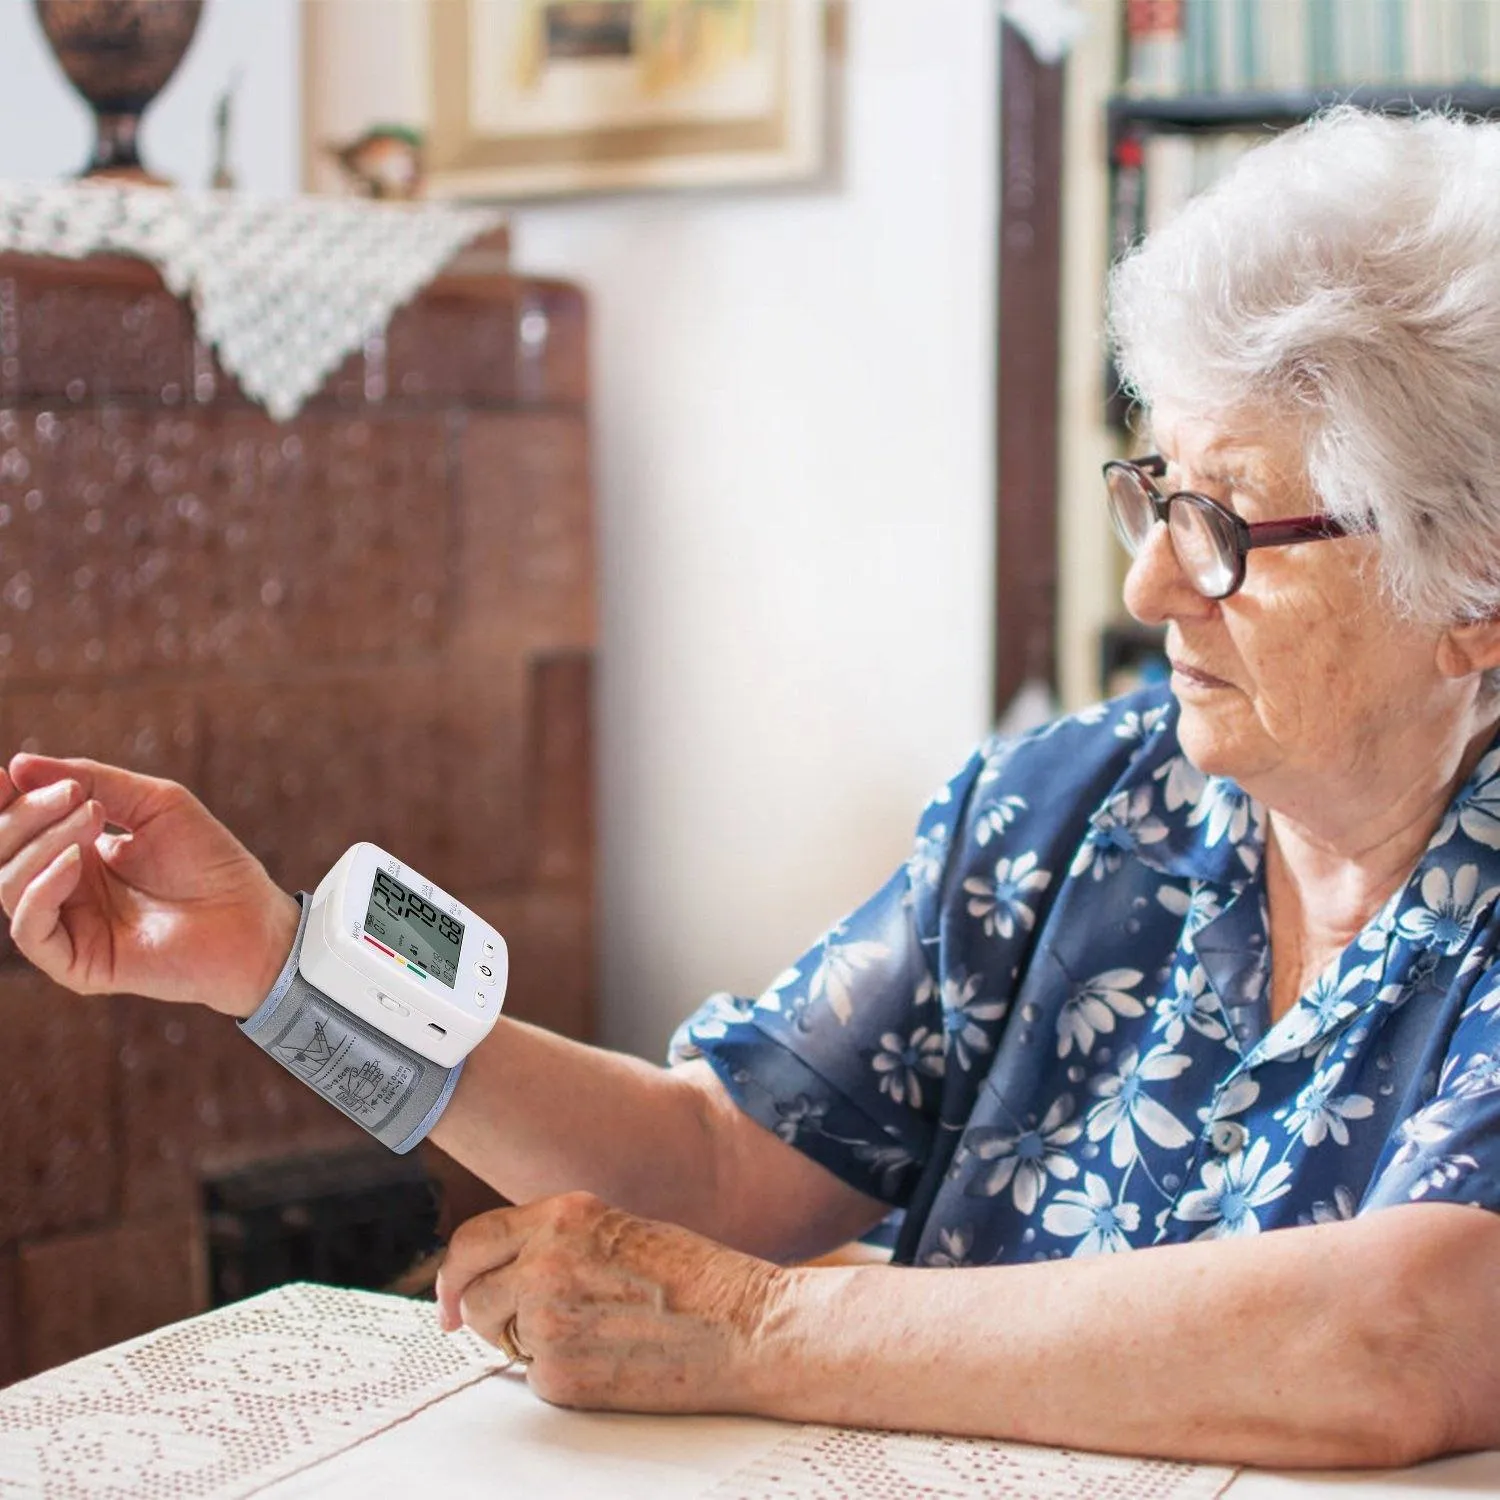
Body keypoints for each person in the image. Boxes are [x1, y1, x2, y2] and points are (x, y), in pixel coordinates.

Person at [7, 105, 1500, 1470]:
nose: (1150, 580)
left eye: (1229, 527)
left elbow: (1402, 1330)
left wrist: (753, 1329)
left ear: (1471, 585)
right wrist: (278, 967)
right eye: (1156, 492)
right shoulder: (1076, 808)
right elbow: (717, 1163)